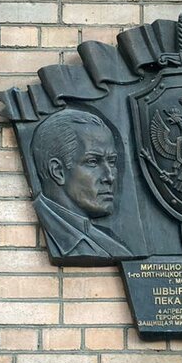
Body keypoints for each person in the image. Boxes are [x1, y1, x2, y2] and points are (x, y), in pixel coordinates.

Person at [30, 108, 129, 259]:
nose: (110, 177)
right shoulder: (62, 240)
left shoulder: (114, 248)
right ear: (58, 171)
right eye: (93, 162)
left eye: (112, 161)